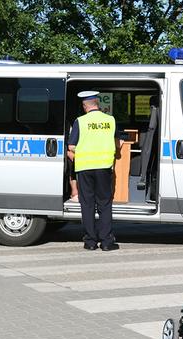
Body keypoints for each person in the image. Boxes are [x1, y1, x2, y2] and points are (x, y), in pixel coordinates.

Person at [67, 90, 119, 251]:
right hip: (104, 167)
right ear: (98, 104)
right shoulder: (110, 120)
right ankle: (106, 242)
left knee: (88, 204)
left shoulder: (80, 121)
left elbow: (71, 146)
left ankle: (90, 242)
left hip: (84, 167)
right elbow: (117, 143)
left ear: (85, 106)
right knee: (104, 204)